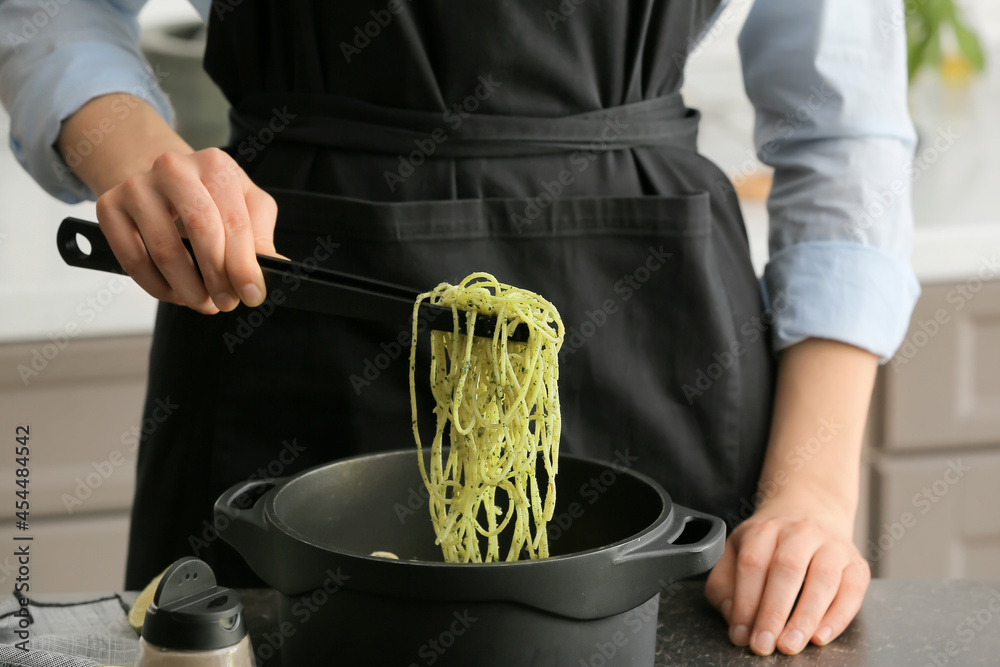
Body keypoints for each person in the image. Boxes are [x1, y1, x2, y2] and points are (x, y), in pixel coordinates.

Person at [0, 0, 918, 657]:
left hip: (654, 315)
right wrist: (135, 152)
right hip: (277, 278)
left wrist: (812, 499)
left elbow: (844, 134)